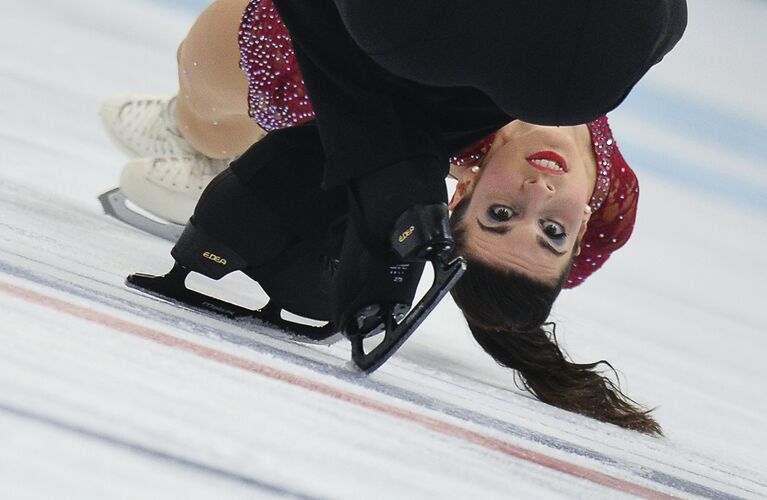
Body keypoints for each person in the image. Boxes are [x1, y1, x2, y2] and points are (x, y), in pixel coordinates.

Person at [102, 0, 687, 434]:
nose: (539, 190)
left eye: (502, 214)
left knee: (220, 94)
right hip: (414, 50)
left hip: (346, 66)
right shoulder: (609, 199)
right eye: (552, 229)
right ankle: (210, 139)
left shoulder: (424, 64)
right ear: (584, 224)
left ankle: (198, 132)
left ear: (463, 192)